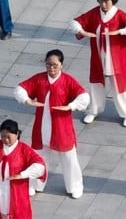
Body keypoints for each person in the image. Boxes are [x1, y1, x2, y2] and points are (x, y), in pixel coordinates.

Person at [13, 49, 90, 198]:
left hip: (62, 128)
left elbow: (84, 96)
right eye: (48, 65)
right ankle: (35, 184)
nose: (51, 68)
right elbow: (20, 88)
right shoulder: (39, 79)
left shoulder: (67, 81)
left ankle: (75, 186)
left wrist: (70, 106)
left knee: (69, 159)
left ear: (61, 65)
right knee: (38, 157)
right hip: (42, 127)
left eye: (55, 65)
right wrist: (27, 100)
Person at [71, 0, 126, 126]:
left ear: (113, 1)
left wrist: (120, 31)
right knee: (96, 84)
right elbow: (75, 22)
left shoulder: (119, 15)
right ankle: (93, 111)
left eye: (106, 1)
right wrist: (83, 32)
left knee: (120, 86)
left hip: (116, 59)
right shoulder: (94, 13)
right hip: (98, 57)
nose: (103, 5)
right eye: (101, 1)